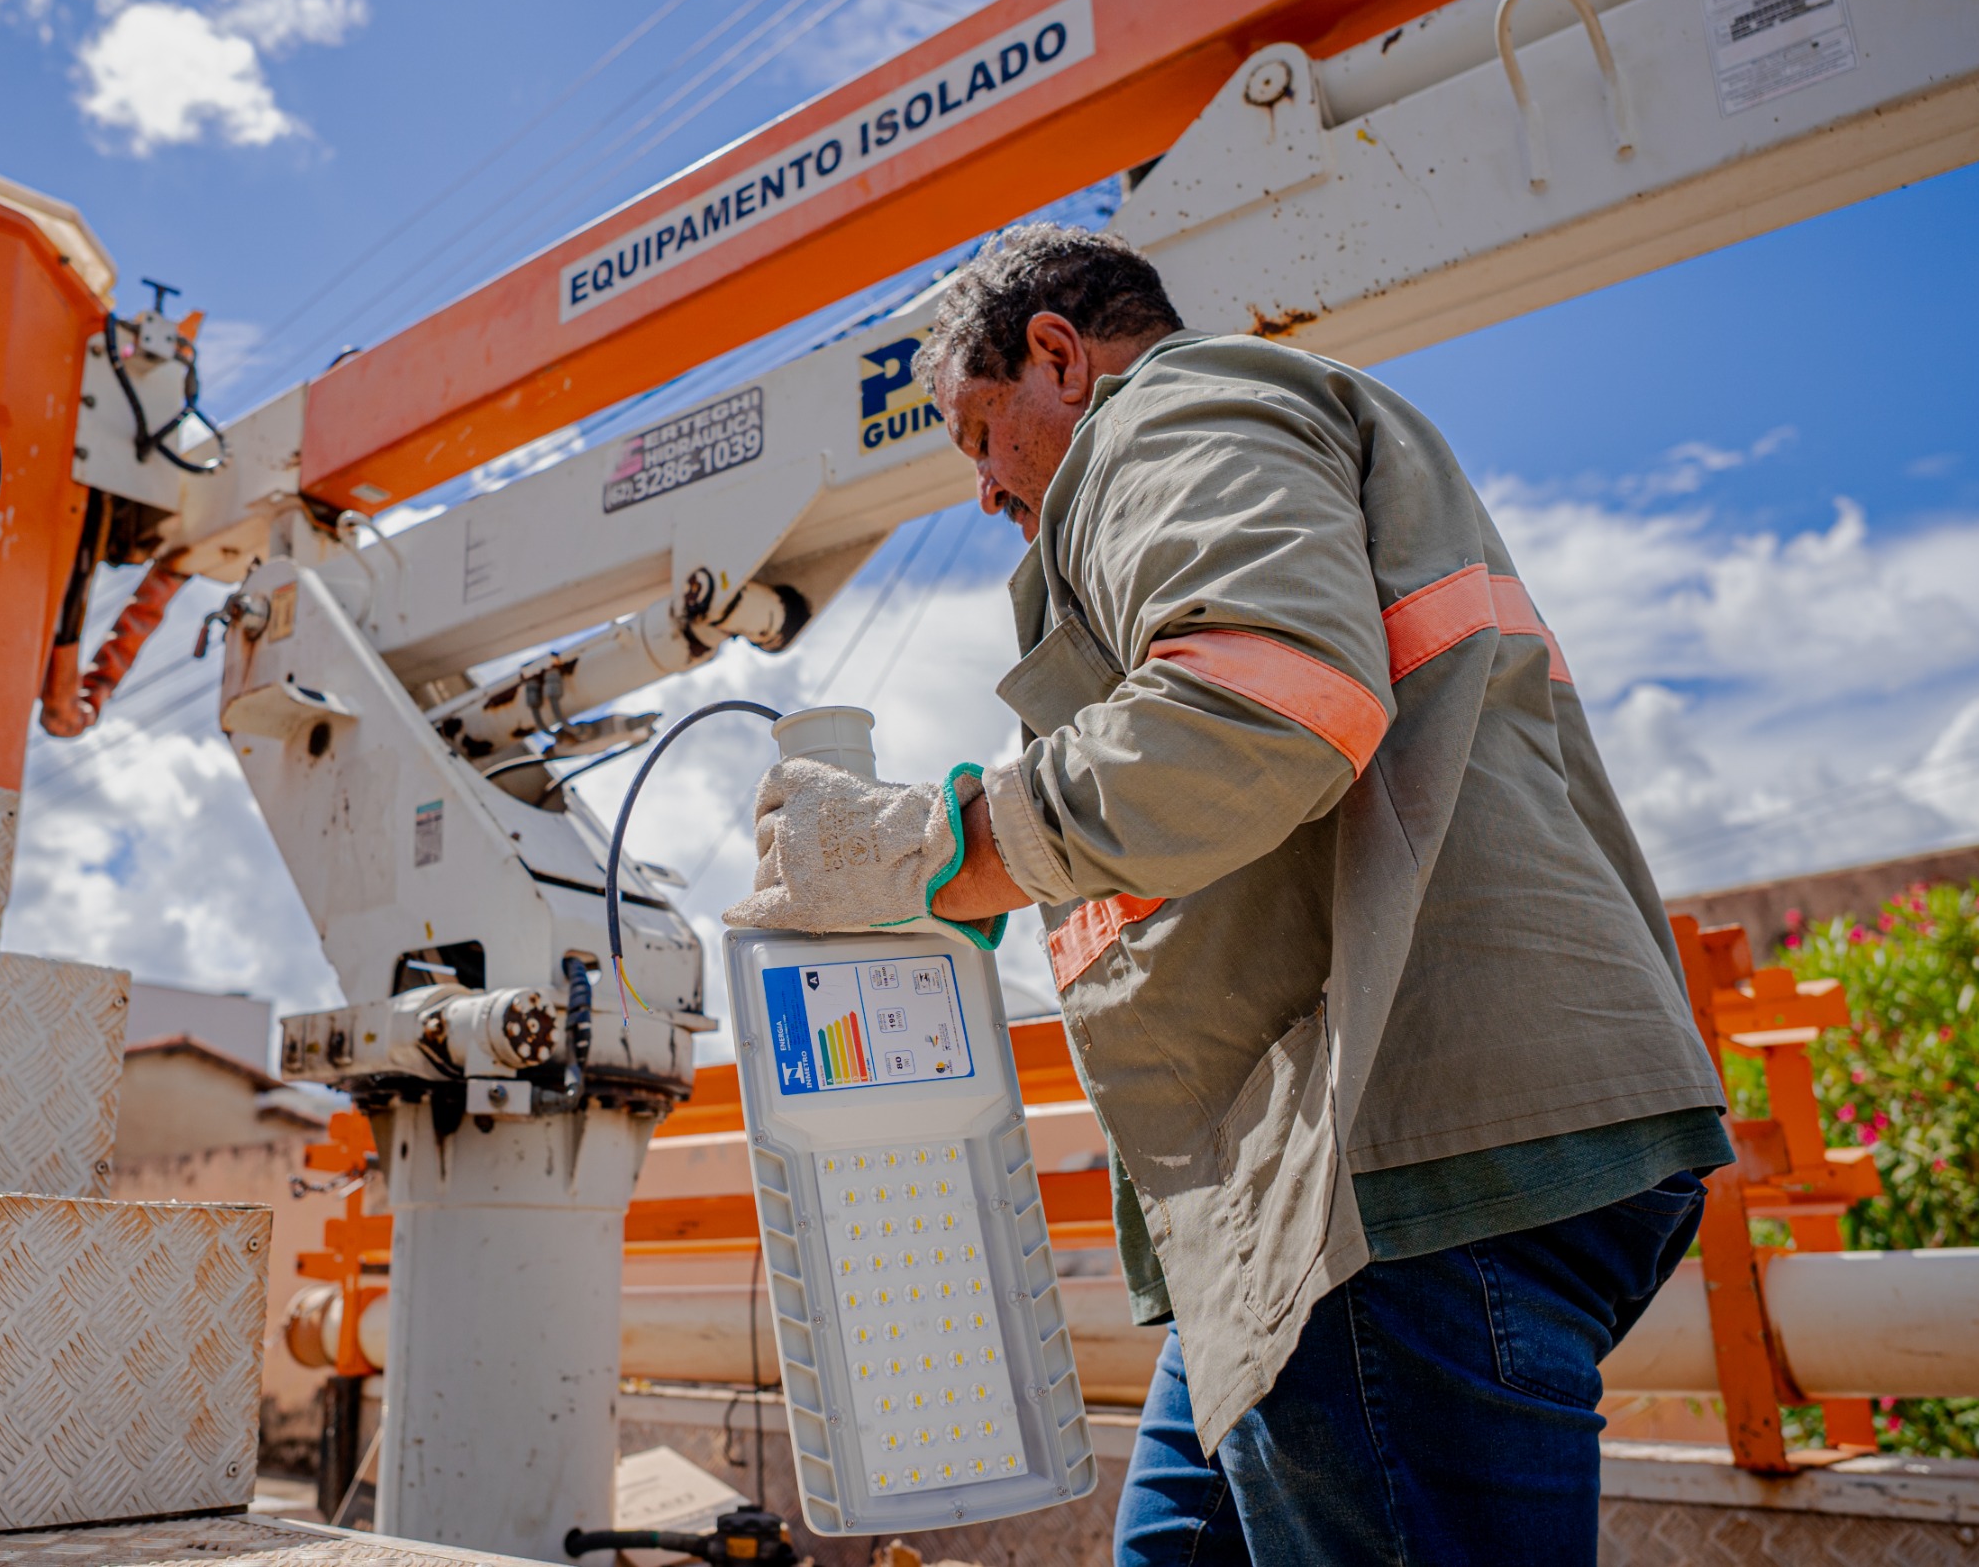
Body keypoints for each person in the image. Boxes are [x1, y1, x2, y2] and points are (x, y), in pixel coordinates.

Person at [724, 225, 1732, 1564]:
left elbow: (1262, 706)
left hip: (1387, 1170)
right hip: (1325, 1187)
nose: (979, 489)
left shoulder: (1167, 414)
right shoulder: (1264, 433)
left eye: (976, 432)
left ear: (1060, 356)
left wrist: (934, 841)